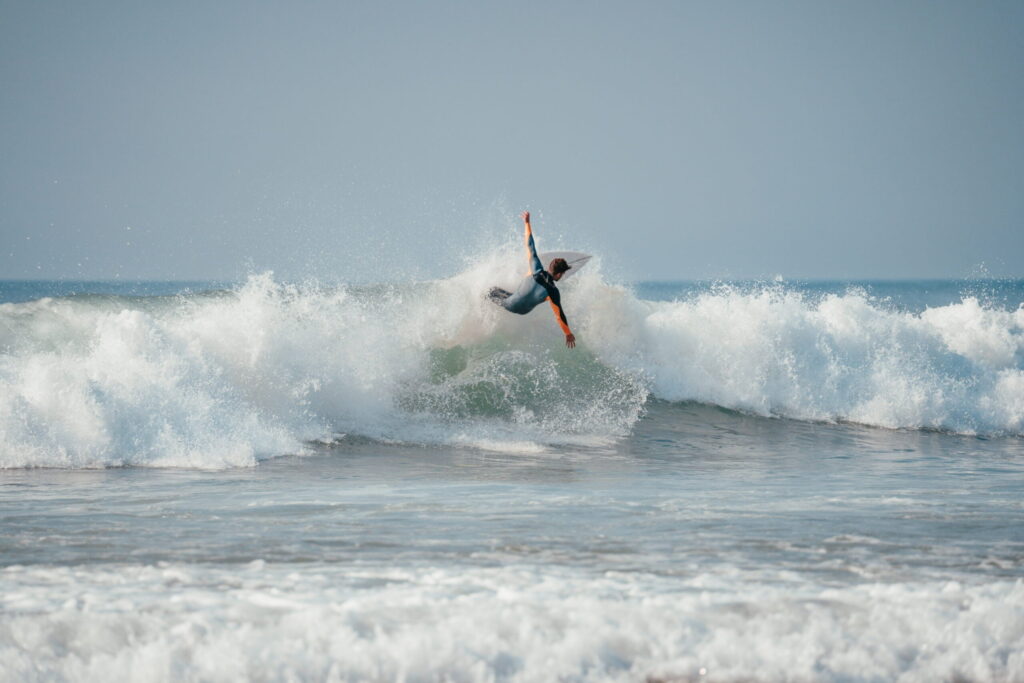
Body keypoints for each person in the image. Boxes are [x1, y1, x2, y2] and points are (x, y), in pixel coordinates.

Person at [488, 211, 576, 348]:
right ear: (559, 274)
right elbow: (560, 316)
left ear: (550, 267)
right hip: (524, 311)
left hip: (511, 303)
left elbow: (530, 245)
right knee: (542, 296)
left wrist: (527, 223)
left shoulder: (536, 269)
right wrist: (568, 333)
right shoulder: (553, 292)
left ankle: (481, 301)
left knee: (491, 291)